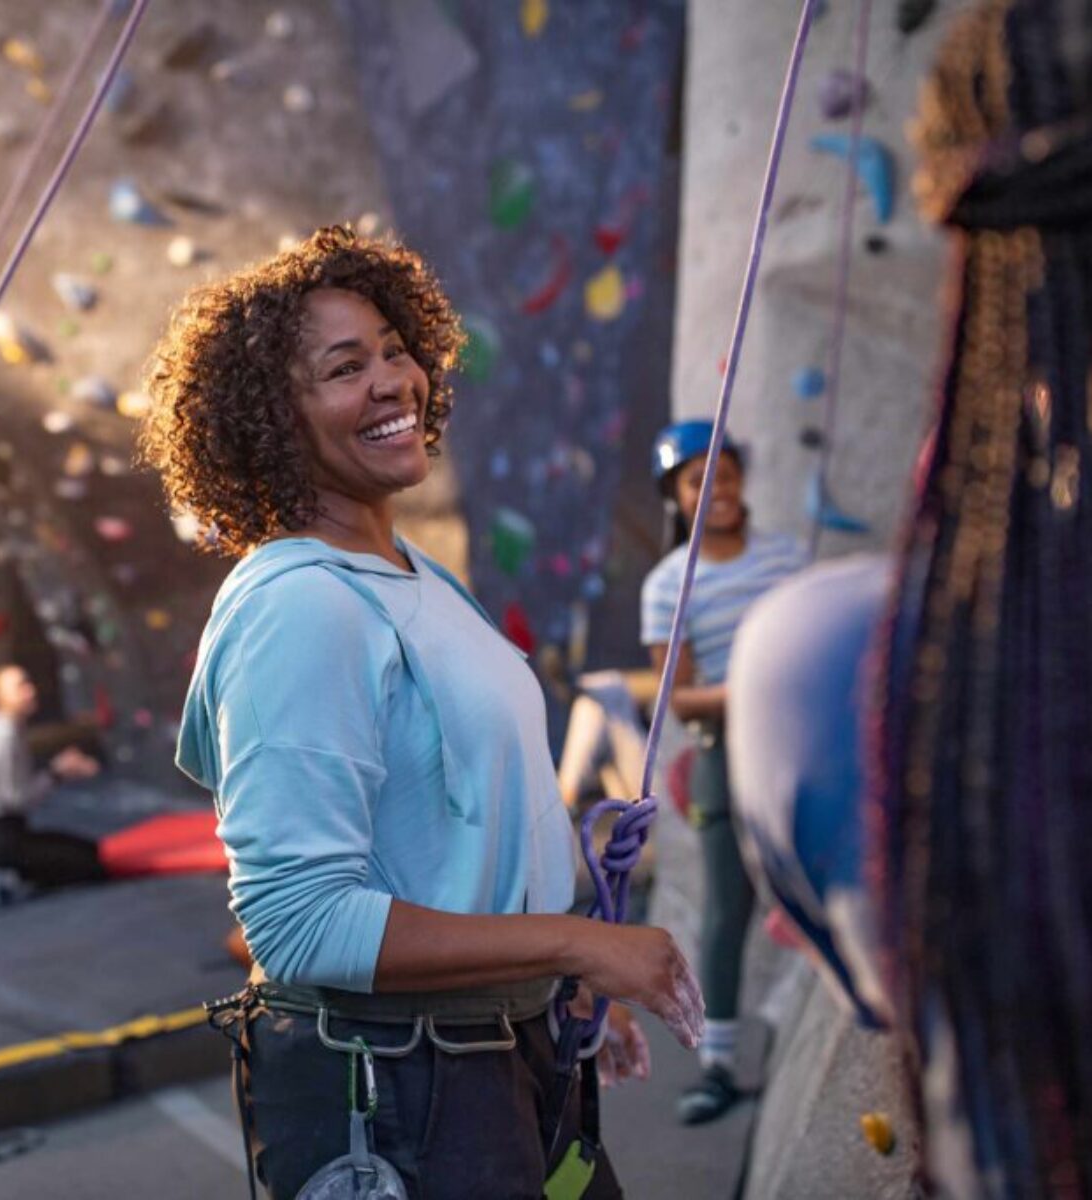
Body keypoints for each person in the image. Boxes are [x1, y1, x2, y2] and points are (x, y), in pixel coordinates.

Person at [139, 225, 703, 1198]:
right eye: (345, 367)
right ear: (274, 415)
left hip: (506, 1055)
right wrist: (582, 943)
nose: (394, 381)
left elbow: (466, 825)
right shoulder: (299, 605)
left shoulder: (411, 574)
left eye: (396, 350)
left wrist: (560, 976)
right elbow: (300, 923)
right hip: (413, 1092)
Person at [635, 420, 808, 1125]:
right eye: (697, 477)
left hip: (799, 747)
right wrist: (755, 686)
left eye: (727, 472)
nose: (718, 488)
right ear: (676, 495)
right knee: (727, 907)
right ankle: (717, 1064)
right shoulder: (664, 587)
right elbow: (678, 696)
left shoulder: (788, 558)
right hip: (723, 755)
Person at [0, 664, 104, 903]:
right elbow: (16, 799)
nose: (30, 691)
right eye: (20, 687)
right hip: (4, 835)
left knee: (90, 850)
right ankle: (12, 872)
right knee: (90, 865)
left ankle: (14, 869)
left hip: (7, 829)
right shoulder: (4, 736)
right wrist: (57, 773)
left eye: (28, 684)